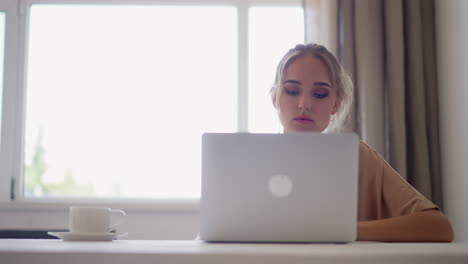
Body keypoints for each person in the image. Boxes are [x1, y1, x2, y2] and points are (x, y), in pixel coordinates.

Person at [270, 43, 454, 242]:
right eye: (291, 90)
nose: (304, 104)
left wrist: (343, 229)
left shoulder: (360, 158)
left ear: (336, 104)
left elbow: (439, 226)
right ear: (275, 98)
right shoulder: (250, 161)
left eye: (320, 94)